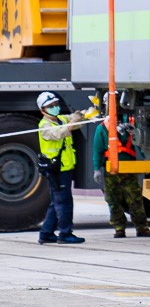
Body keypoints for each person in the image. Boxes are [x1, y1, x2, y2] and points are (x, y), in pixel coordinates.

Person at [36, 91, 92, 245]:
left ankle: (46, 233)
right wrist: (73, 121)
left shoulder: (60, 119)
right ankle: (65, 233)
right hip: (56, 169)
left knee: (57, 202)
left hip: (65, 167)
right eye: (50, 106)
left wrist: (85, 114)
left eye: (56, 104)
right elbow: (60, 133)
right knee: (64, 202)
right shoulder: (45, 126)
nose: (55, 107)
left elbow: (76, 121)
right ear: (43, 110)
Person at [91, 109, 150, 238]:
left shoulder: (132, 125)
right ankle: (119, 227)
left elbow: (142, 144)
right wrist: (97, 168)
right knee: (113, 200)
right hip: (112, 170)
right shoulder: (102, 128)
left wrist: (148, 162)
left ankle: (141, 227)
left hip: (129, 169)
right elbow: (97, 150)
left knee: (135, 199)